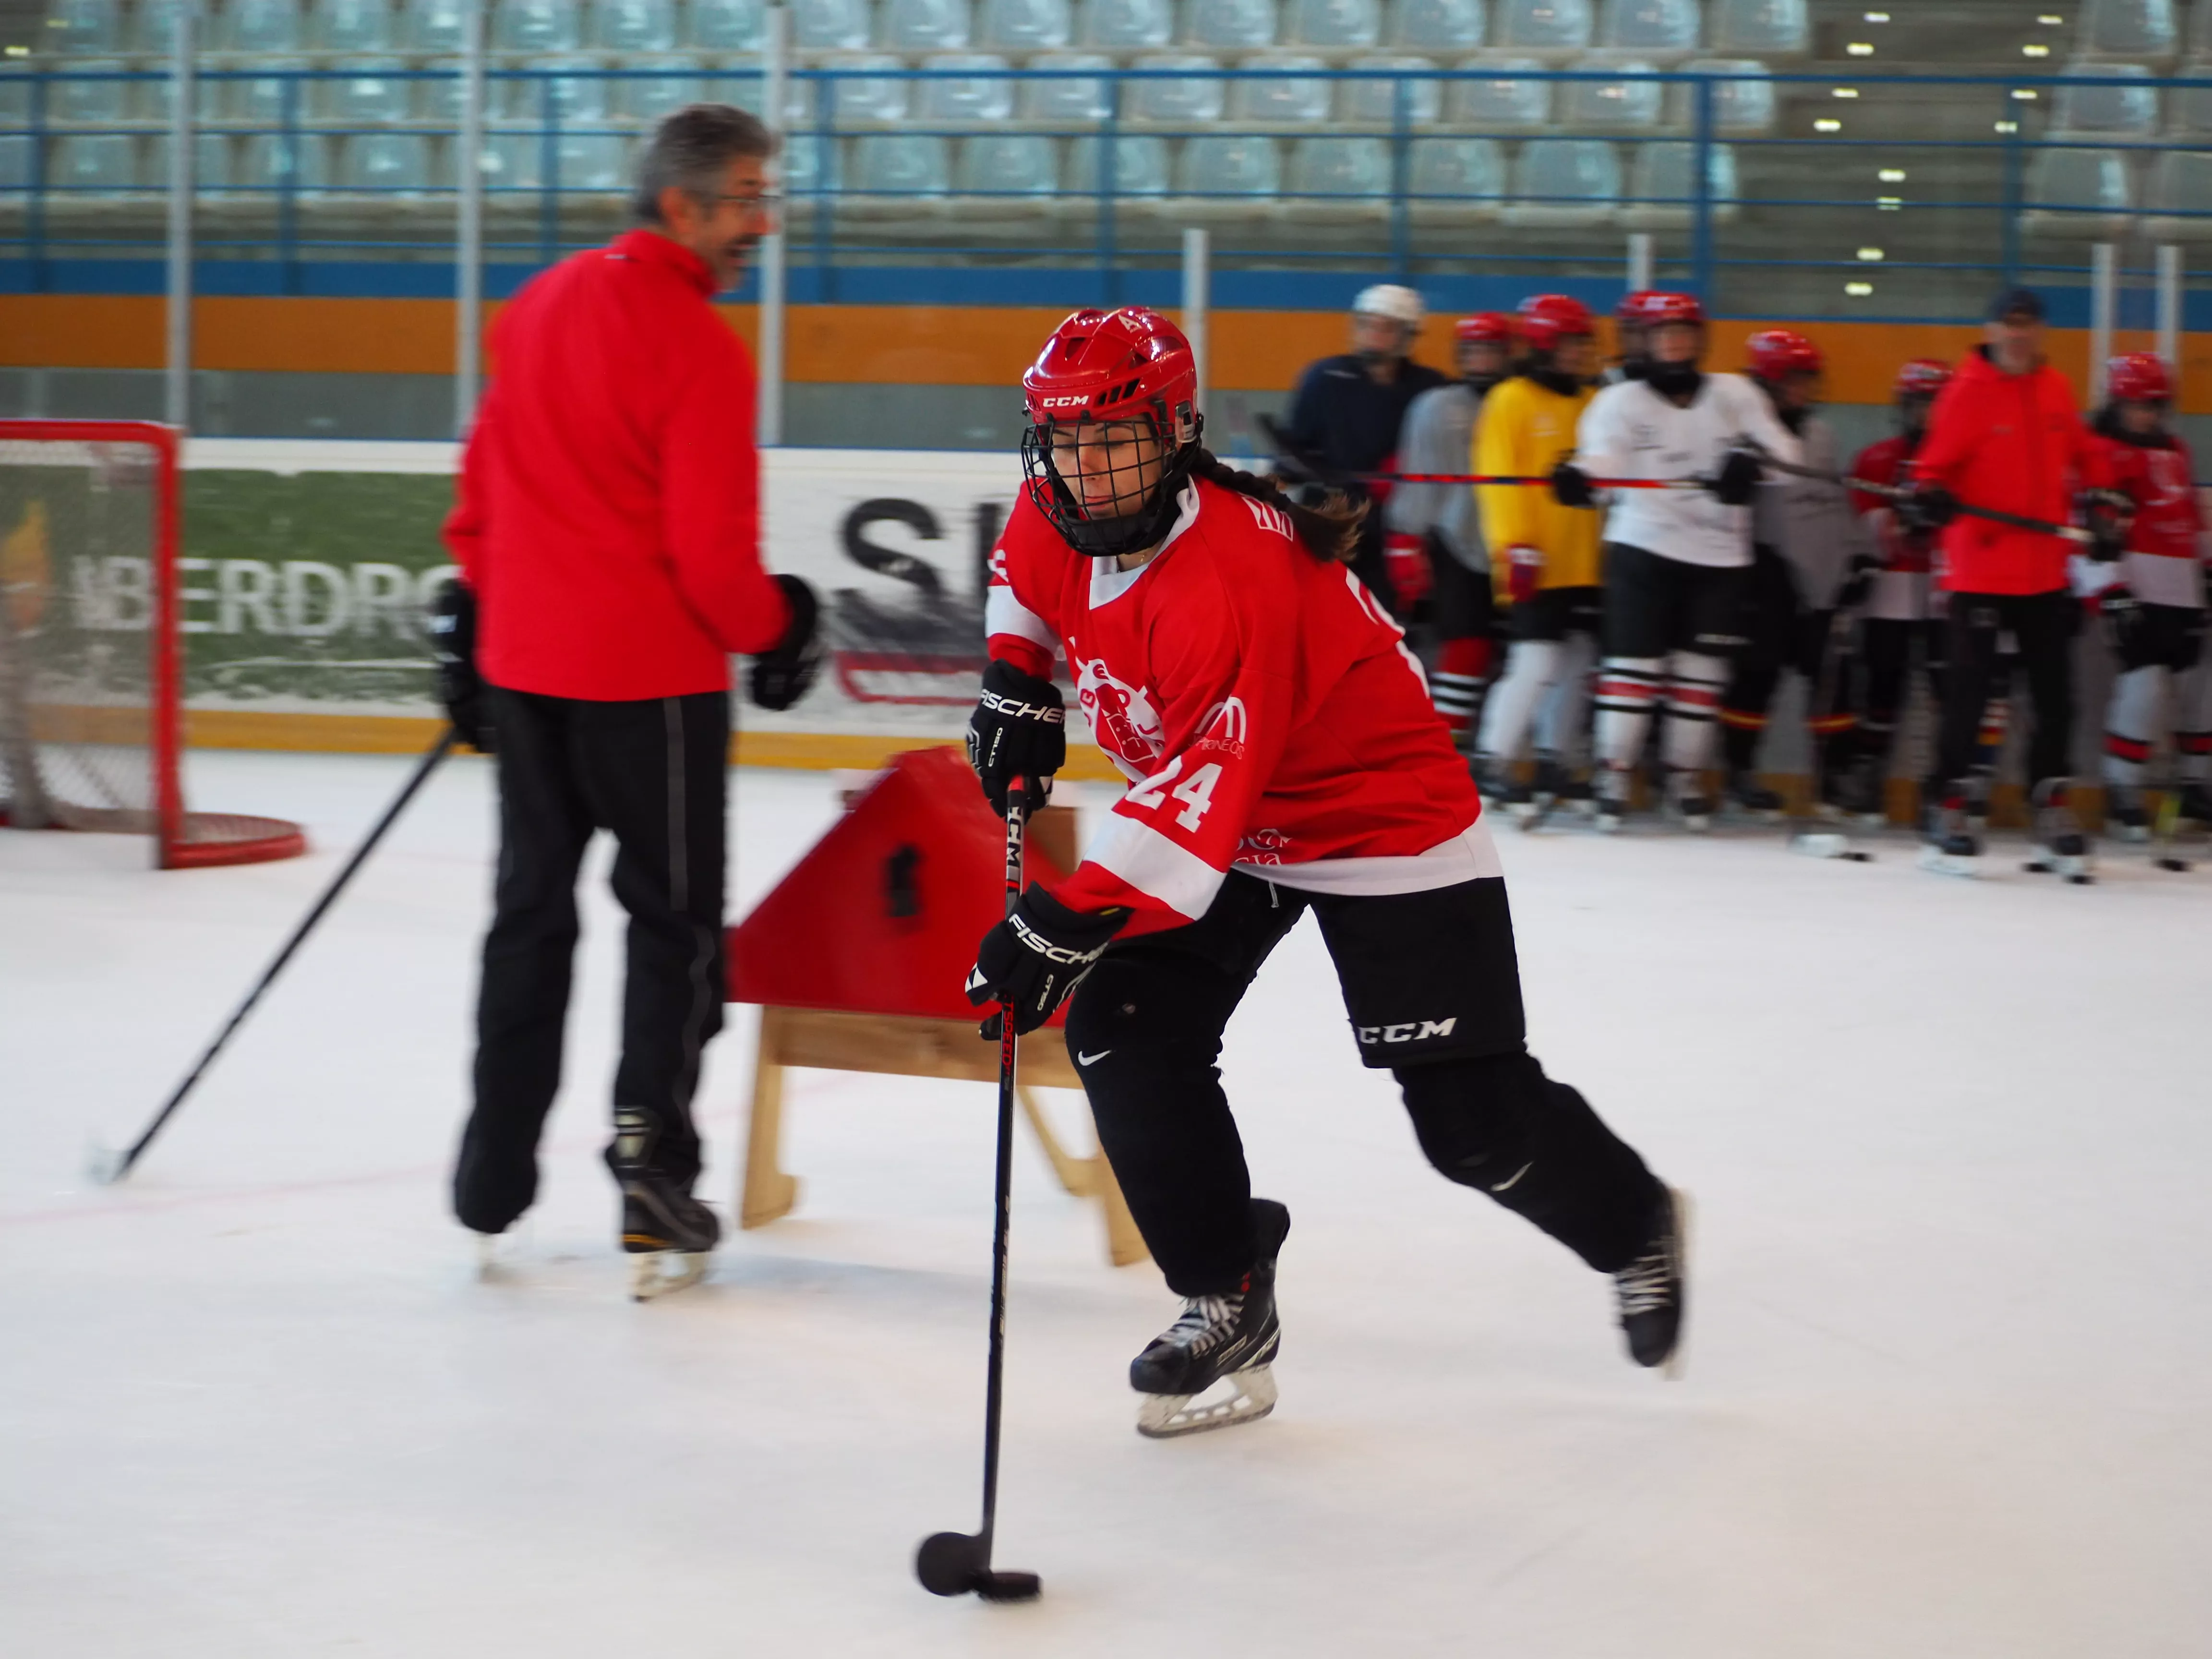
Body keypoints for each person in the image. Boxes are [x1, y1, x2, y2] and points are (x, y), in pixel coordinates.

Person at [963, 306, 1687, 1439]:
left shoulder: (1228, 576)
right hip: (1228, 819)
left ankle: (1633, 1220)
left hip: (1372, 817)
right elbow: (1023, 569)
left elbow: (1198, 794)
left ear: (1176, 429)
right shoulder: (1058, 495)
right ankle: (1228, 1289)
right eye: (1063, 441)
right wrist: (1016, 678)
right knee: (1122, 1022)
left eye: (1116, 442)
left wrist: (1060, 917)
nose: (1086, 469)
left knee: (1472, 1125)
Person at [436, 105, 823, 1298]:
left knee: (530, 918)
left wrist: (479, 626)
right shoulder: (697, 346)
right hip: (647, 686)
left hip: (529, 674)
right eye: (746, 199)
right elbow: (709, 560)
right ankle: (652, 1170)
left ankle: (492, 1171)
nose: (763, 222)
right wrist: (781, 627)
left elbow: (480, 500)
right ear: (681, 206)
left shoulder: (539, 304)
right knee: (675, 930)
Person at [1557, 291, 1802, 830]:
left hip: (1719, 558)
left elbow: (1788, 456)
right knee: (1633, 671)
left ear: (1699, 339)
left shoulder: (1735, 393)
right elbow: (1604, 462)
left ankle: (1683, 776)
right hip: (1642, 548)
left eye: (1684, 333)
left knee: (1700, 673)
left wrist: (1751, 464)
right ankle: (1614, 773)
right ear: (1643, 340)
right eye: (1663, 333)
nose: (1674, 343)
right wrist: (1581, 478)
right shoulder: (1618, 402)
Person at [1902, 288, 2121, 879]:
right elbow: (1928, 473)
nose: (2020, 335)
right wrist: (1931, 499)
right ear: (1992, 330)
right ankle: (1950, 805)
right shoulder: (1965, 394)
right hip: (1980, 570)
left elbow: (2088, 457)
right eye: (2010, 324)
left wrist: (2102, 508)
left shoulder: (2055, 388)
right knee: (1970, 695)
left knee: (2057, 699)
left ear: (2040, 332)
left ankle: (2049, 803)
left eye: (2029, 325)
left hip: (2046, 572)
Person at [1716, 329, 1876, 819]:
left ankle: (1833, 779)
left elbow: (1832, 503)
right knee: (1756, 678)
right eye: (1795, 380)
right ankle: (1738, 773)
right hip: (1766, 575)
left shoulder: (1821, 435)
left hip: (1823, 578)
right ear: (1767, 382)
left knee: (1835, 678)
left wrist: (1857, 556)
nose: (1805, 390)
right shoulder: (1744, 439)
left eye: (1810, 379)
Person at [1471, 293, 1605, 818]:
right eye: (1571, 344)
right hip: (1535, 558)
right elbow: (1496, 480)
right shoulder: (1511, 399)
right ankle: (1494, 759)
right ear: (1544, 344)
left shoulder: (1592, 402)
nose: (1580, 354)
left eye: (1584, 344)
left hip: (1585, 560)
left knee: (1578, 660)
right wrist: (1515, 548)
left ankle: (1554, 758)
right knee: (1536, 660)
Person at [2082, 352, 2212, 839]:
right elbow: (2093, 529)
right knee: (2147, 686)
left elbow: (2190, 517)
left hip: (2182, 589)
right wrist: (2109, 589)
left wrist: (2208, 568)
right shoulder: (2100, 451)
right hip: (2137, 587)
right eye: (2138, 405)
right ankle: (2123, 790)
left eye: (2155, 406)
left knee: (2200, 685)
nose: (2147, 415)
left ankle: (2196, 786)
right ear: (2117, 402)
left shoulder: (2176, 451)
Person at [1272, 283, 1450, 613]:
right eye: (1367, 323)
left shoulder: (1430, 388)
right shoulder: (1324, 378)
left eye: (1386, 327)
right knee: (1322, 612)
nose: (1374, 334)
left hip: (1397, 526)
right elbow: (1292, 454)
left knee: (1386, 617)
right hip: (1332, 517)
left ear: (1408, 334)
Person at [1382, 311, 1516, 748]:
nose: (1481, 360)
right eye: (1473, 351)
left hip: (1520, 543)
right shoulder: (1438, 407)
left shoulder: (1521, 400)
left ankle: (1506, 743)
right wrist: (1406, 541)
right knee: (1466, 646)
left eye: (1490, 351)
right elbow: (1419, 478)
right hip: (1459, 542)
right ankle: (1445, 745)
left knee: (1522, 655)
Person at [1844, 359, 1951, 824]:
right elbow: (1861, 524)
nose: (1925, 414)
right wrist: (1895, 525)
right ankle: (1868, 776)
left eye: (1936, 404)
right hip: (1889, 592)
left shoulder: (1962, 463)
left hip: (1946, 594)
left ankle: (1944, 788)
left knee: (1946, 695)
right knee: (1881, 690)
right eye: (1919, 403)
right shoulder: (1877, 458)